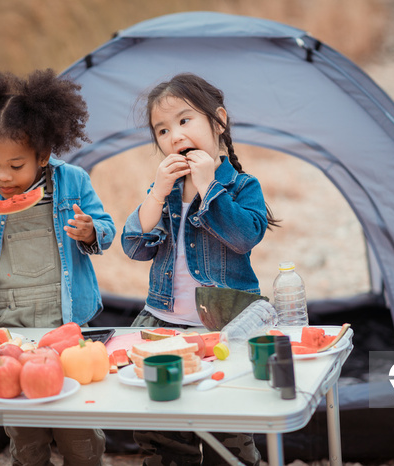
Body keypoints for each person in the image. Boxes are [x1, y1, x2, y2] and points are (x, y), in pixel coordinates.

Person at [0, 66, 115, 466]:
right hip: (7, 328)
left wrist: (90, 232)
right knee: (24, 428)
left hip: (65, 321)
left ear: (44, 155)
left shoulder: (73, 181)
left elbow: (106, 228)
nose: (2, 177)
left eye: (17, 166)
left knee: (77, 428)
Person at [121, 73, 279, 466]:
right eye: (162, 129)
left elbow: (243, 238)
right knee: (159, 426)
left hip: (224, 327)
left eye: (184, 120)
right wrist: (156, 192)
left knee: (229, 423)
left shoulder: (241, 185)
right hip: (162, 324)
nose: (174, 136)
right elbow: (135, 246)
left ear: (218, 122)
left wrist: (210, 187)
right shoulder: (166, 192)